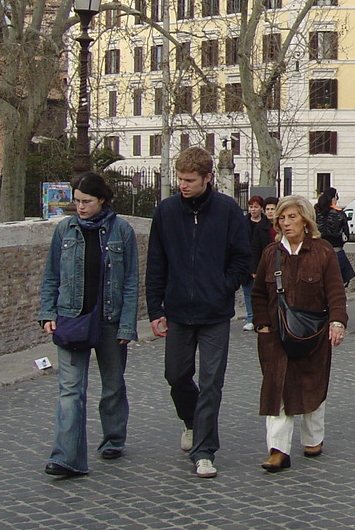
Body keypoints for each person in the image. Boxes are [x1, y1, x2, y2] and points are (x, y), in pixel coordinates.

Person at [146, 147, 251, 479]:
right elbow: (156, 263)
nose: (183, 185)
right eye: (179, 179)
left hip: (215, 311)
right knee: (176, 375)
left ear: (208, 178)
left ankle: (204, 451)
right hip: (177, 310)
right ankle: (191, 421)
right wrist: (154, 309)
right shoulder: (166, 212)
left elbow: (241, 256)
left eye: (190, 180)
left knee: (211, 382)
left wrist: (225, 285)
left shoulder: (227, 211)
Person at [37, 171, 138, 477]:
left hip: (109, 320)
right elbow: (51, 275)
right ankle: (66, 457)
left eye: (86, 201)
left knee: (112, 385)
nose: (80, 207)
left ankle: (113, 438)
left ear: (102, 200)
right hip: (72, 318)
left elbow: (131, 282)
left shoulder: (122, 231)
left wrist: (126, 326)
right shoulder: (65, 231)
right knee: (70, 390)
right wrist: (48, 313)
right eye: (76, 201)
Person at [251, 195, 347, 472]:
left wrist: (337, 322)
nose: (286, 222)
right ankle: (277, 450)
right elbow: (258, 294)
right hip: (276, 334)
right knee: (276, 389)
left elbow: (335, 291)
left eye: (292, 217)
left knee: (311, 385)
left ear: (305, 219)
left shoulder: (322, 251)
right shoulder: (271, 253)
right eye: (282, 218)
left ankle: (313, 438)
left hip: (312, 334)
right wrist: (262, 325)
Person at [315, 187, 355, 287]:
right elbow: (346, 235)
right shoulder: (339, 213)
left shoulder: (316, 212)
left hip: (318, 250)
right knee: (338, 281)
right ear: (334, 198)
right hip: (336, 251)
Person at [243, 195, 272, 332]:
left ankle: (262, 317)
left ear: (261, 208)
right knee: (248, 292)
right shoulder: (243, 223)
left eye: (256, 207)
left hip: (262, 262)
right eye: (251, 207)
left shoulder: (266, 225)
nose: (253, 210)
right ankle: (250, 318)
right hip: (246, 263)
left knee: (263, 292)